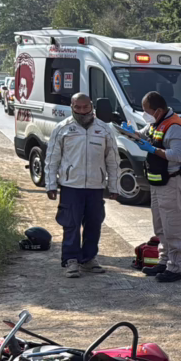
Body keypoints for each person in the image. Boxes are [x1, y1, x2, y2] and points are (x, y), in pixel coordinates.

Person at [44, 93, 120, 278]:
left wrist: (114, 186)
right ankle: (71, 261)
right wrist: (50, 184)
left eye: (85, 107)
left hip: (95, 187)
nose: (82, 111)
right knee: (71, 224)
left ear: (92, 106)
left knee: (94, 224)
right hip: (71, 186)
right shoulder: (62, 129)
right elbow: (52, 159)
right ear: (71, 107)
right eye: (77, 108)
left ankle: (88, 259)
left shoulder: (104, 129)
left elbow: (113, 160)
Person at [138, 91, 181, 283]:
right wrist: (128, 132)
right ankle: (164, 260)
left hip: (172, 180)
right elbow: (142, 135)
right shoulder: (156, 123)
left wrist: (153, 150)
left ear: (158, 111)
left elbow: (177, 155)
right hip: (158, 181)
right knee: (160, 224)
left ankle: (175, 268)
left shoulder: (174, 126)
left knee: (172, 226)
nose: (145, 114)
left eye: (146, 110)